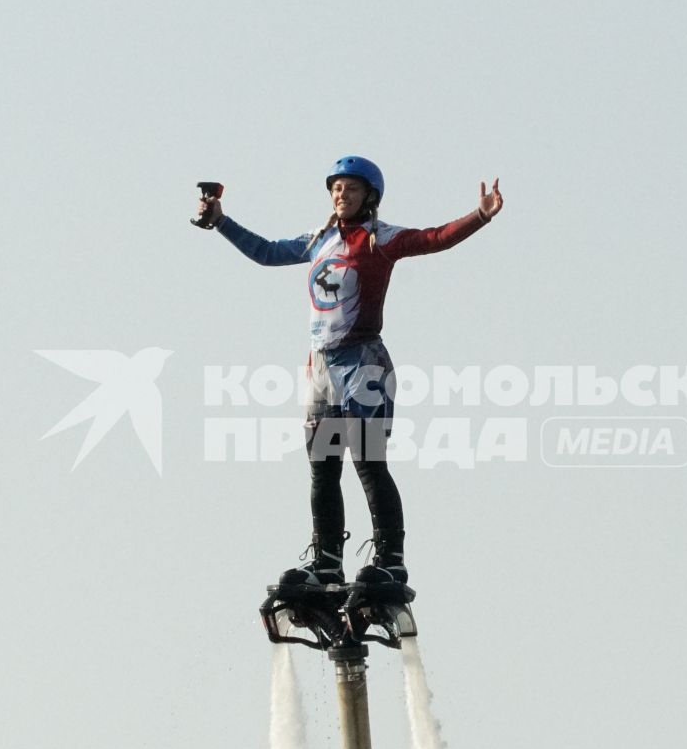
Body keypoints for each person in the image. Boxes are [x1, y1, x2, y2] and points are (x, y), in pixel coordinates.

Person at [196, 156, 502, 587]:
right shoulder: (318, 240)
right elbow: (265, 253)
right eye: (336, 188)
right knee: (322, 467)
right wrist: (222, 222)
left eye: (351, 189)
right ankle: (326, 563)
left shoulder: (381, 239)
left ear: (369, 197)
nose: (342, 195)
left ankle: (390, 560)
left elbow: (434, 238)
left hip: (363, 362)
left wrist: (481, 216)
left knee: (368, 463)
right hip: (321, 365)